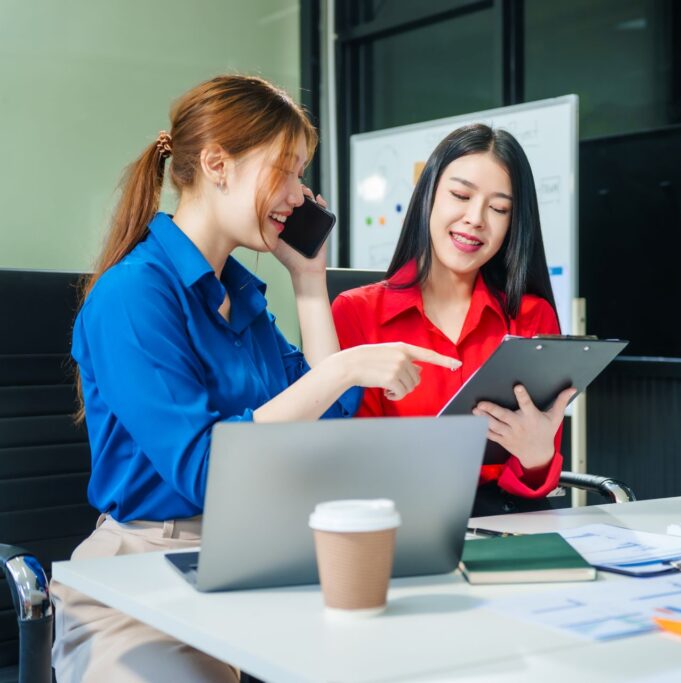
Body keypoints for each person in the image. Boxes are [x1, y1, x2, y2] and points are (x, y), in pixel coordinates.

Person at [53, 75, 458, 683]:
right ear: (217, 164)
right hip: (140, 578)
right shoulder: (132, 296)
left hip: (252, 560)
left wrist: (310, 282)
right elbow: (203, 471)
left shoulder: (240, 297)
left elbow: (326, 419)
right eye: (287, 171)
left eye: (300, 174)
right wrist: (346, 366)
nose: (299, 195)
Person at [331, 124, 576, 517]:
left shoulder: (531, 316)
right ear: (429, 195)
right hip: (398, 520)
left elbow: (534, 483)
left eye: (499, 209)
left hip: (505, 523)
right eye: (460, 195)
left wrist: (536, 456)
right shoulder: (356, 312)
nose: (476, 219)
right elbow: (353, 461)